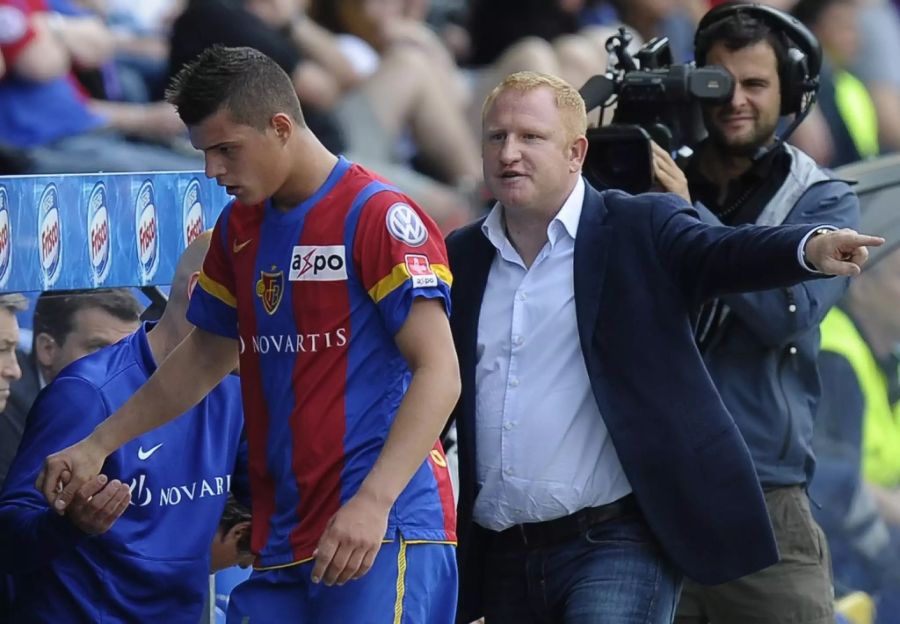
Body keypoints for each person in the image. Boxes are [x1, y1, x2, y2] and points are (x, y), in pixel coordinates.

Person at [38, 45, 461, 623]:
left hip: (379, 529)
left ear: (281, 126)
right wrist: (96, 443)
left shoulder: (378, 215)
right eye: (204, 152)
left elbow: (441, 371)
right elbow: (204, 355)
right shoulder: (238, 227)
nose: (212, 171)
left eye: (226, 149)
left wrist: (374, 502)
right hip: (286, 531)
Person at [445, 69, 881, 624]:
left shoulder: (636, 224)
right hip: (503, 549)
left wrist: (806, 245)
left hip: (615, 541)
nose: (510, 152)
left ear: (577, 152)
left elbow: (721, 251)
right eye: (496, 137)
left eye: (531, 137)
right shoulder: (461, 255)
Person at [646, 5, 855, 623]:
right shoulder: (652, 180)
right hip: (650, 499)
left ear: (790, 92)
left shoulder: (822, 196)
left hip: (765, 504)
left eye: (756, 84)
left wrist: (684, 217)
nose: (735, 100)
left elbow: (786, 313)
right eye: (719, 82)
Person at [0, 232, 247, 623]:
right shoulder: (87, 393)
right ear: (204, 292)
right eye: (266, 305)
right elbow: (9, 539)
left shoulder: (234, 386)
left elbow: (263, 498)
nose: (277, 324)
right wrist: (68, 525)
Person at [812, 205, 900, 623]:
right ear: (861, 286)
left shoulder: (889, 358)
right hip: (840, 568)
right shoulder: (836, 356)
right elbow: (832, 480)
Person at [0, 288, 141, 491]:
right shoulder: (9, 406)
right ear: (48, 349)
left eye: (129, 351)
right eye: (99, 350)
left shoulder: (145, 403)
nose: (120, 368)